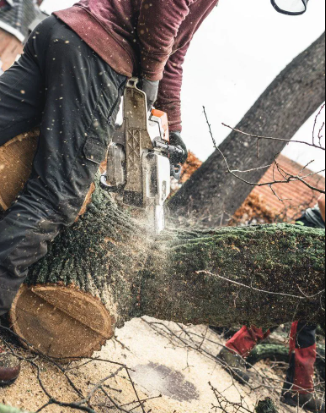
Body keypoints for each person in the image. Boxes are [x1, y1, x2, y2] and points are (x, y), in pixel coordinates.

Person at [0, 0, 311, 386]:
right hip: (96, 54)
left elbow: (175, 53)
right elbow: (163, 15)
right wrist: (146, 83)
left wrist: (172, 125)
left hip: (63, 32)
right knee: (57, 196)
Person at [218, 194, 326, 413]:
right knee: (290, 305)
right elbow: (323, 200)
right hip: (311, 237)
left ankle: (298, 389)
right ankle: (234, 352)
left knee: (305, 315)